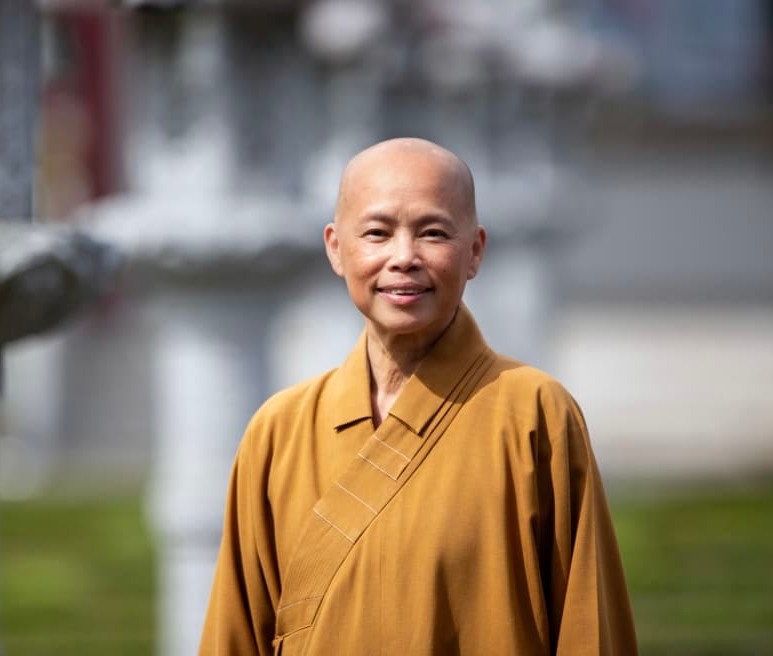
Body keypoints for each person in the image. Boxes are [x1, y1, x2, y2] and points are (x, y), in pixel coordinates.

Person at [198, 138, 637, 655]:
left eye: (432, 233)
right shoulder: (280, 430)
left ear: (474, 250)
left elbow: (590, 627)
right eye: (377, 233)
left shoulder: (533, 412)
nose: (403, 258)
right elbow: (236, 632)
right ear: (336, 248)